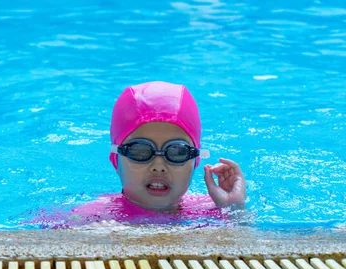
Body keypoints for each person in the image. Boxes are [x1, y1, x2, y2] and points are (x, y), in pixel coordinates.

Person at [35, 81, 246, 228]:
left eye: (177, 152)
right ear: (116, 160)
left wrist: (235, 209)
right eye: (140, 151)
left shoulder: (212, 210)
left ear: (195, 162)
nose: (159, 165)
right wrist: (89, 238)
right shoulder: (94, 217)